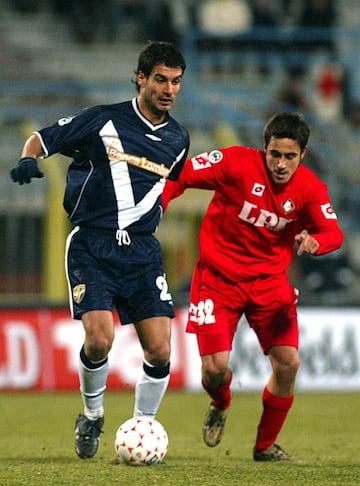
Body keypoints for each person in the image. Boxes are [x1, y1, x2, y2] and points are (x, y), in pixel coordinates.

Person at [10, 41, 189, 459]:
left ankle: (144, 426)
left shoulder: (179, 138)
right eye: (160, 79)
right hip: (92, 243)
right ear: (141, 78)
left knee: (161, 349)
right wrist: (26, 158)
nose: (168, 89)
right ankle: (92, 415)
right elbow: (43, 136)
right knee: (99, 340)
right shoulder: (103, 119)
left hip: (142, 251)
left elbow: (168, 184)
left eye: (176, 81)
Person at [162, 112, 344, 461]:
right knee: (214, 369)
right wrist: (160, 204)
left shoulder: (310, 189)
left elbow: (334, 232)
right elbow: (180, 174)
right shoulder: (235, 163)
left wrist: (317, 242)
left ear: (302, 155)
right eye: (274, 154)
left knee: (288, 363)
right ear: (264, 148)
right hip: (218, 280)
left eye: (289, 156)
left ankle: (264, 446)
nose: (280, 163)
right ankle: (221, 402)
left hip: (269, 284)